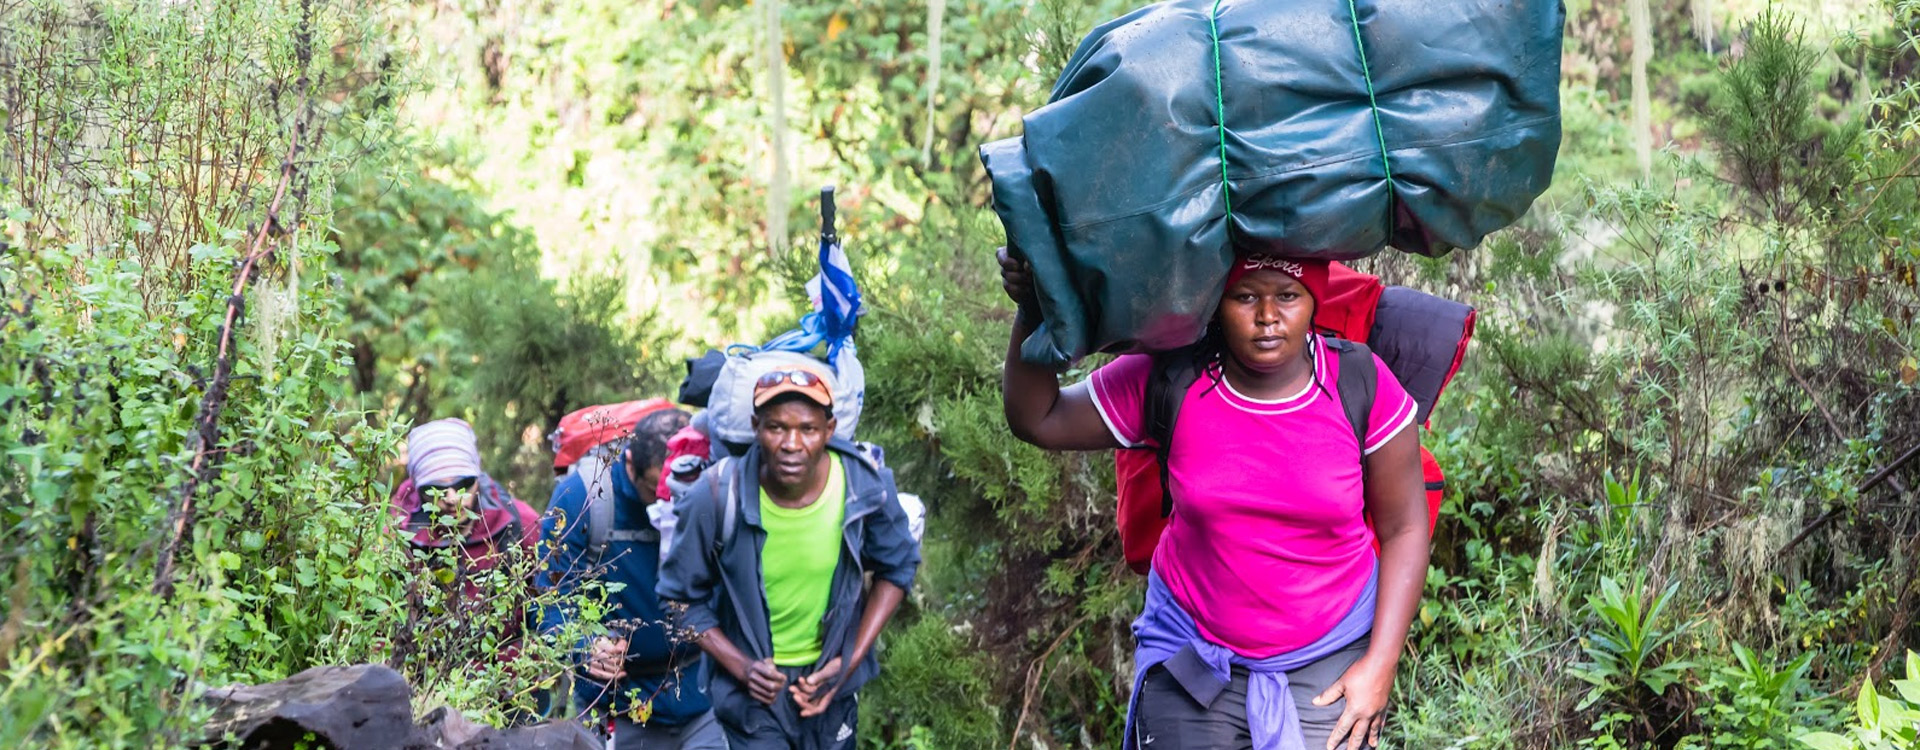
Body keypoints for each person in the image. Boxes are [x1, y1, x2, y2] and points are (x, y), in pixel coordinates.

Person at [997, 248, 1431, 750]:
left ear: (1314, 300)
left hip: (1329, 652)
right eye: (1244, 297)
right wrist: (1032, 308)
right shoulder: (1172, 378)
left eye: (1288, 296)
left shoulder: (1359, 382)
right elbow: (1038, 418)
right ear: (1215, 303)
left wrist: (1381, 664)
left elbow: (1405, 528)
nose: (1267, 316)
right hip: (1194, 649)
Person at [658, 364, 920, 750]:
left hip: (830, 687)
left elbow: (897, 568)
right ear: (756, 427)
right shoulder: (715, 495)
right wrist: (743, 668)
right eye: (776, 427)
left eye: (808, 429)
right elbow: (678, 600)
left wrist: (849, 660)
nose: (791, 443)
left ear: (829, 430)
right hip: (752, 700)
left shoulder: (863, 486)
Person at [540, 407, 726, 749]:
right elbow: (551, 599)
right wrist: (585, 646)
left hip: (705, 696)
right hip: (619, 706)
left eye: (679, 493)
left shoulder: (718, 487)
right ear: (629, 463)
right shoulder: (584, 497)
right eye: (656, 491)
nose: (667, 506)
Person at [390, 417, 542, 615]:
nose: (452, 498)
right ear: (418, 488)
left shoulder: (522, 524)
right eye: (436, 489)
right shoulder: (394, 536)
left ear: (477, 476)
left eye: (463, 484)